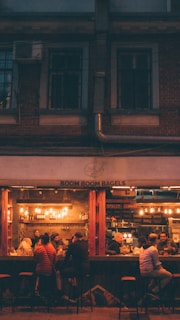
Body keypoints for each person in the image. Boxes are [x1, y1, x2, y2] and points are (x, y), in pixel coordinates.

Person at [139, 233, 172, 297]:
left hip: (142, 271)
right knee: (168, 275)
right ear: (156, 240)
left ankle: (149, 289)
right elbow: (157, 264)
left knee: (158, 274)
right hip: (150, 272)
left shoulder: (142, 248)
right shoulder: (153, 249)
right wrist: (163, 270)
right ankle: (154, 291)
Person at [34, 233, 57, 299]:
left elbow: (35, 260)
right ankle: (48, 294)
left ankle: (36, 292)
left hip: (40, 271)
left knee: (36, 276)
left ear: (42, 241)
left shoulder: (39, 249)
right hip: (50, 271)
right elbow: (55, 261)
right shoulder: (52, 248)